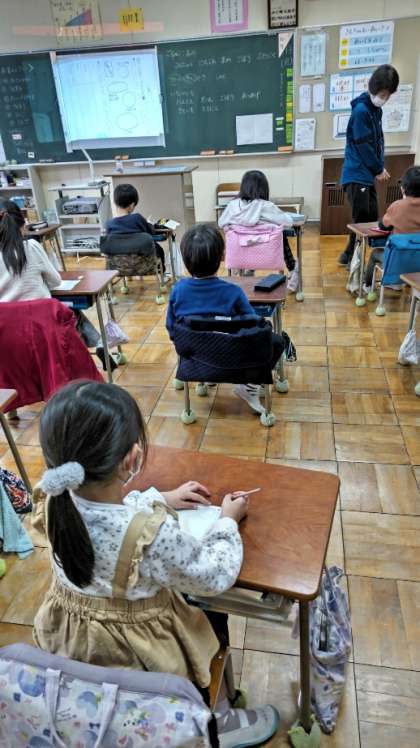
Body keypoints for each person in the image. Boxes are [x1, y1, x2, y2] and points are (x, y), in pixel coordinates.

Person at [33, 380, 280, 747]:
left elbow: (109, 514)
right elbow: (214, 575)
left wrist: (160, 497)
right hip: (138, 653)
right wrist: (227, 520)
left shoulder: (53, 500)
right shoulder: (151, 536)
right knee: (211, 617)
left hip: (71, 641)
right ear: (132, 459)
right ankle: (216, 717)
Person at [166, 223, 286, 414]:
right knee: (278, 342)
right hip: (232, 357)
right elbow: (253, 325)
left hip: (197, 357)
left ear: (185, 259)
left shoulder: (177, 291)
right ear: (222, 256)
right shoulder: (233, 292)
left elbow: (172, 329)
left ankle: (207, 376)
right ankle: (249, 387)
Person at [0, 200, 114, 380]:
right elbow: (55, 281)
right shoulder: (31, 247)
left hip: (7, 338)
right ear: (23, 224)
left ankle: (97, 341)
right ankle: (98, 342)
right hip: (43, 331)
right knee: (68, 310)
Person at [338, 64, 400, 266]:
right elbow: (364, 145)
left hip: (365, 175)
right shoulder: (361, 111)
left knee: (369, 220)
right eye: (382, 94)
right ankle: (352, 261)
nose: (384, 99)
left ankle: (350, 256)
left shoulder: (375, 111)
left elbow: (377, 141)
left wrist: (379, 166)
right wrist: (378, 168)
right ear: (373, 88)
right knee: (363, 221)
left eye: (387, 96)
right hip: (356, 175)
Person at [218, 170, 299, 292]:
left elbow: (221, 223)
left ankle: (249, 270)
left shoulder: (232, 205)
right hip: (267, 255)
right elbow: (288, 221)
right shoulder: (266, 206)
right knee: (280, 234)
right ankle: (292, 270)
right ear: (264, 188)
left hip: (240, 255)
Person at [364, 165, 420, 288]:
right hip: (418, 264)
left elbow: (383, 226)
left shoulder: (397, 206)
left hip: (398, 262)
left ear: (403, 188)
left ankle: (367, 286)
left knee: (375, 254)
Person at [106, 183, 166, 272]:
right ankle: (161, 273)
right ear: (132, 205)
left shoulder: (109, 224)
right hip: (142, 264)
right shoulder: (137, 218)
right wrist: (149, 224)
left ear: (115, 203)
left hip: (119, 266)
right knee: (158, 248)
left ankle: (126, 278)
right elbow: (151, 231)